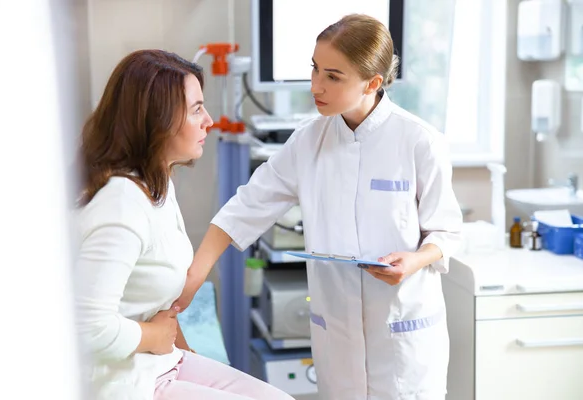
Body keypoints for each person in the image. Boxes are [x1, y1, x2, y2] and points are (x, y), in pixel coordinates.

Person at [177, 14, 463, 400]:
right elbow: (246, 206)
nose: (315, 86)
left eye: (333, 76)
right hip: (338, 343)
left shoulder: (419, 141)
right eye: (314, 69)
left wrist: (412, 261)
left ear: (373, 82)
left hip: (402, 338)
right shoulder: (307, 141)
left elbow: (446, 232)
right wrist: (193, 278)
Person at [74, 49, 293, 400]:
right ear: (157, 120)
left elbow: (159, 308)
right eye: (196, 110)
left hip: (158, 362)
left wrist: (184, 353)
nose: (209, 120)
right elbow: (86, 327)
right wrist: (153, 337)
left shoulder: (156, 183)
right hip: (124, 382)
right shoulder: (121, 206)